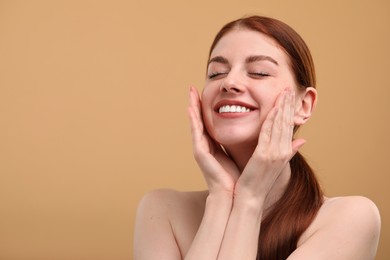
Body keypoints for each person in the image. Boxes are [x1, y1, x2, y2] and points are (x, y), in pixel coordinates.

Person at [133, 15, 381, 259]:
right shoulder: (161, 211)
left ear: (303, 105)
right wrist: (221, 199)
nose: (229, 82)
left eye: (259, 72)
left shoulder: (351, 218)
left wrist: (249, 199)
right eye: (216, 73)